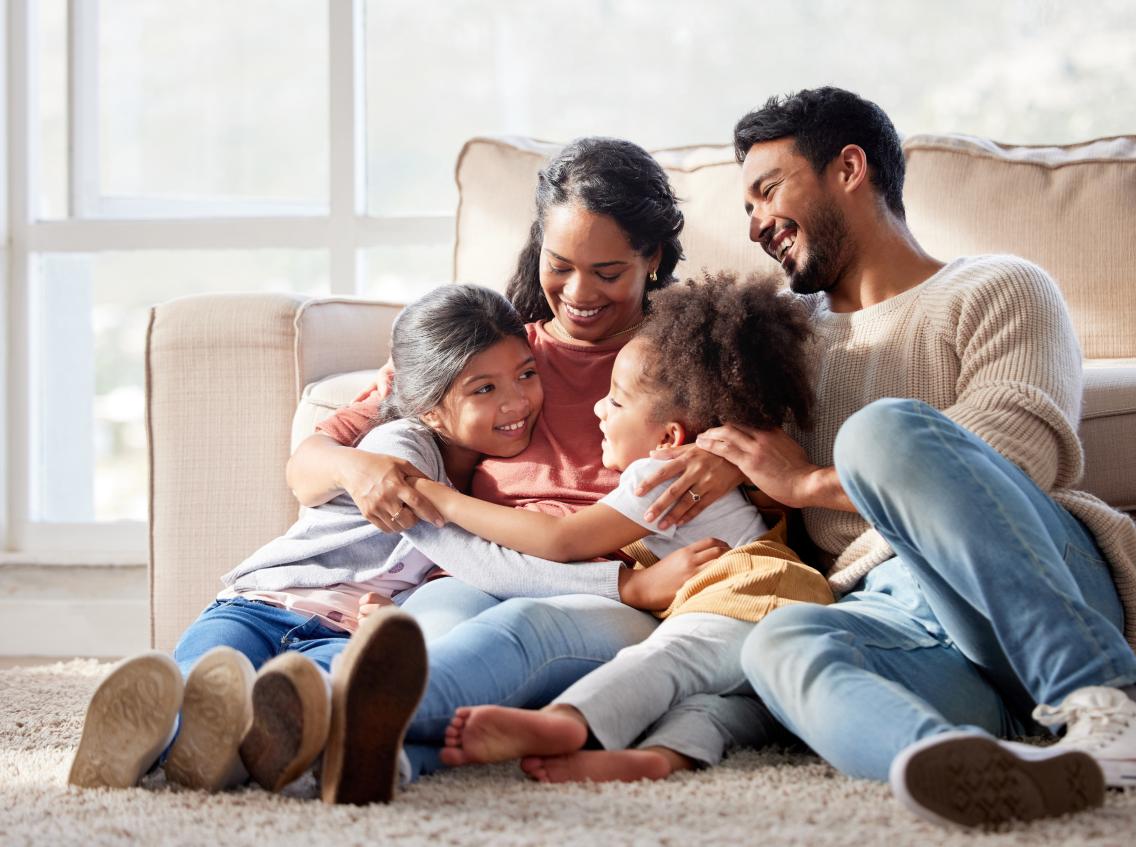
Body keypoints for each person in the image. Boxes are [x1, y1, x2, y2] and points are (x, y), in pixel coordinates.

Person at [637, 86, 1136, 827]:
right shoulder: (778, 335)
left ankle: (1111, 703)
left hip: (1030, 583)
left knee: (882, 432)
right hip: (895, 617)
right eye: (744, 209)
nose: (756, 225)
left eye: (767, 190)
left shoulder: (999, 286)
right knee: (779, 643)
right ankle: (962, 766)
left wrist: (808, 481)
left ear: (849, 168)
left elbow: (1011, 452)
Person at [283, 137, 780, 795]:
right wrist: (357, 470)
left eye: (607, 271)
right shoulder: (495, 349)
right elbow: (317, 458)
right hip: (481, 563)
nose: (578, 293)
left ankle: (311, 717)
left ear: (651, 258)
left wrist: (729, 463)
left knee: (520, 632)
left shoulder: (684, 360)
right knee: (428, 632)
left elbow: (776, 469)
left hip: (606, 587)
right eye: (560, 264)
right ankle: (385, 757)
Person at [67, 285, 694, 803]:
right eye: (483, 389)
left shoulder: (480, 467)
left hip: (343, 635)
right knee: (199, 681)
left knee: (286, 714)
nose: (517, 402)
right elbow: (481, 561)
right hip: (259, 604)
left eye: (525, 375)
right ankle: (146, 738)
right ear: (427, 406)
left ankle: (208, 759)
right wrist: (622, 585)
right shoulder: (401, 455)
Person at [415, 275, 831, 783]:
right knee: (717, 703)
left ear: (669, 435)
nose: (597, 409)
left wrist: (446, 501)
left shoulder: (658, 474)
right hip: (769, 609)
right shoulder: (691, 464)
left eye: (614, 401)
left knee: (668, 659)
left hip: (755, 593)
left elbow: (559, 540)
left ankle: (567, 722)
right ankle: (657, 759)